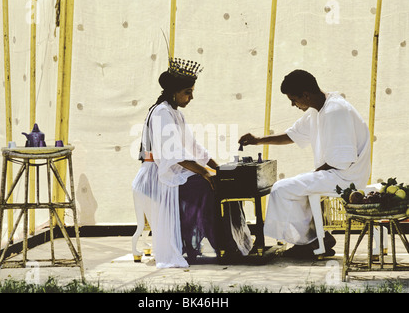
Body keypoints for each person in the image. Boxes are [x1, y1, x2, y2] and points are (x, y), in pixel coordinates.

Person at [132, 58, 252, 268]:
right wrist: (206, 174)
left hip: (170, 171)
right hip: (157, 175)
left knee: (224, 183)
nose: (191, 97)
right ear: (173, 92)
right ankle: (212, 245)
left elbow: (194, 147)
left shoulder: (175, 113)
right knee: (207, 186)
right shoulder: (161, 112)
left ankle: (229, 243)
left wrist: (218, 169)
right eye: (188, 92)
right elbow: (174, 155)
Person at [239, 69, 371, 258]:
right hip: (334, 173)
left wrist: (313, 174)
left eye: (293, 100)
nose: (293, 105)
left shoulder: (335, 111)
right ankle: (316, 238)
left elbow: (343, 160)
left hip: (347, 176)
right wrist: (258, 140)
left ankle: (312, 241)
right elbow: (292, 135)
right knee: (289, 186)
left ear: (306, 95)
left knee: (281, 189)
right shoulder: (319, 109)